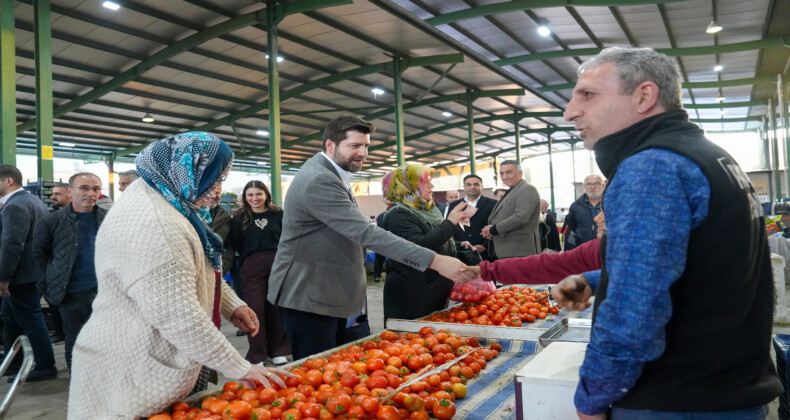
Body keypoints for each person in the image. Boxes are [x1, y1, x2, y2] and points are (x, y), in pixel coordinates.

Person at [552, 47, 780, 419]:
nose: (571, 111)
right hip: (728, 387)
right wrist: (597, 280)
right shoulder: (705, 155)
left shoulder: (652, 166)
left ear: (644, 96)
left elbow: (635, 308)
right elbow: (702, 259)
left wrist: (593, 397)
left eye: (587, 94)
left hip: (679, 398)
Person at [68, 132, 290, 419]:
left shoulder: (167, 199)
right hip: (133, 366)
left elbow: (195, 269)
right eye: (214, 177)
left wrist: (230, 303)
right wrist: (240, 367)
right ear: (185, 169)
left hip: (159, 354)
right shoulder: (156, 223)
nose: (216, 188)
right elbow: (178, 315)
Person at [268, 115, 476, 360]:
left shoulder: (332, 175)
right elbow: (366, 233)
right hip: (311, 296)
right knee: (320, 373)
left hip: (331, 292)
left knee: (341, 368)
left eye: (366, 146)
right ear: (330, 146)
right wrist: (437, 261)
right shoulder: (319, 180)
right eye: (355, 146)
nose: (363, 153)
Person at [33, 172, 107, 372]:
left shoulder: (108, 219)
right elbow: (40, 254)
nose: (90, 194)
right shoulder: (52, 221)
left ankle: (101, 383)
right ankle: (79, 387)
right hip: (72, 293)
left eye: (96, 189)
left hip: (105, 293)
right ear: (70, 191)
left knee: (104, 342)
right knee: (77, 343)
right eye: (84, 188)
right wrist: (55, 278)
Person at [380, 165, 469, 321]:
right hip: (412, 293)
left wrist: (459, 244)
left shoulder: (426, 211)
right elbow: (417, 247)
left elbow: (430, 237)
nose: (432, 186)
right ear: (408, 186)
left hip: (432, 288)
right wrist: (450, 223)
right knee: (411, 339)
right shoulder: (398, 215)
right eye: (426, 182)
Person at [0, 165, 57, 382]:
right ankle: (13, 361)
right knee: (11, 317)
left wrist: (3, 278)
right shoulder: (33, 200)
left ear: (9, 181)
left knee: (31, 319)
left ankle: (44, 365)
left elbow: (12, 244)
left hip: (20, 275)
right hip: (33, 272)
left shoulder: (16, 205)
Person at [229, 180, 290, 366]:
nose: (255, 198)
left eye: (258, 194)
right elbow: (235, 245)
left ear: (266, 195)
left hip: (278, 266)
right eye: (250, 195)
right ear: (245, 197)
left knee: (276, 308)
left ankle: (277, 350)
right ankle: (257, 354)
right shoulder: (237, 219)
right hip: (251, 268)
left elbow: (288, 238)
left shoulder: (279, 214)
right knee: (254, 310)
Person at [469, 211, 605, 285]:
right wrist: (484, 270)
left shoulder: (605, 248)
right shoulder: (599, 248)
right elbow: (550, 265)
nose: (597, 218)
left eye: (606, 211)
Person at [482, 160, 541, 259]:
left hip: (519, 251)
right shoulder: (513, 190)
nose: (505, 177)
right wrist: (489, 231)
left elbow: (521, 217)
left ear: (520, 173)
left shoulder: (527, 189)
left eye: (509, 172)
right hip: (508, 250)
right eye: (502, 173)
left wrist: (494, 229)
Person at [450, 174, 497, 261]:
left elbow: (497, 226)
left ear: (481, 186)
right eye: (468, 184)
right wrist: (459, 245)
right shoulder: (455, 205)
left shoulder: (493, 204)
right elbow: (450, 227)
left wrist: (484, 246)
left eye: (476, 184)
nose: (472, 187)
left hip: (486, 253)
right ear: (464, 187)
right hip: (462, 253)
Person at [563, 174, 604, 251]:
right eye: (588, 184)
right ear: (584, 187)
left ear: (603, 186)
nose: (593, 187)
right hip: (583, 250)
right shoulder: (575, 206)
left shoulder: (611, 205)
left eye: (597, 183)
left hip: (606, 250)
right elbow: (572, 228)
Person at [205, 187, 234, 276]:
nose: (213, 196)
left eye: (217, 193)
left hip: (217, 270)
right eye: (210, 192)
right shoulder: (189, 214)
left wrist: (223, 266)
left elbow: (230, 245)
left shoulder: (225, 216)